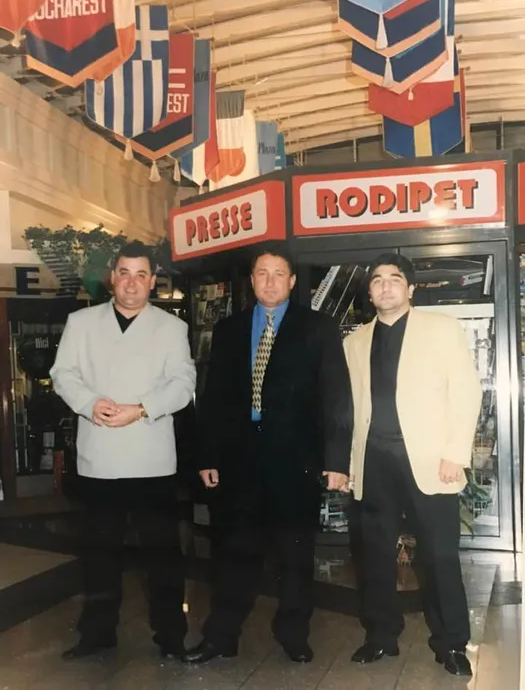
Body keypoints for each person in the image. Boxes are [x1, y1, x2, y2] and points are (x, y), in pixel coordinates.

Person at [182, 246, 353, 665]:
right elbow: (214, 397)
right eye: (262, 273)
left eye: (279, 274)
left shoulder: (319, 328)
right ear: (252, 280)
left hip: (296, 462)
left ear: (292, 281)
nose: (270, 281)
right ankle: (222, 635)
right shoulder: (229, 330)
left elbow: (336, 397)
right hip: (238, 462)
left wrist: (336, 462)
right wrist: (208, 456)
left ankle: (293, 634)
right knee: (232, 553)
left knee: (295, 555)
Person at [50, 240, 196, 660]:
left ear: (152, 282)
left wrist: (143, 408)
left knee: (163, 554)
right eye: (125, 274)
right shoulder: (81, 323)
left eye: (141, 275)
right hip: (99, 457)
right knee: (100, 555)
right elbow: (63, 374)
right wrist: (88, 403)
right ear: (112, 278)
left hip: (152, 459)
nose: (132, 283)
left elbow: (183, 383)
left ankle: (171, 634)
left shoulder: (172, 328)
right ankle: (97, 633)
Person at [343, 252, 482, 677]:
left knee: (439, 556)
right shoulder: (354, 342)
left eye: (394, 278)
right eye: (377, 280)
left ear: (411, 288)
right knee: (374, 555)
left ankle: (451, 643)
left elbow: (466, 391)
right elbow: (351, 409)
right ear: (369, 292)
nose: (385, 286)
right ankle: (381, 636)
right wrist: (351, 463)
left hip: (430, 460)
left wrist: (455, 453)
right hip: (374, 461)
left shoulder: (441, 329)